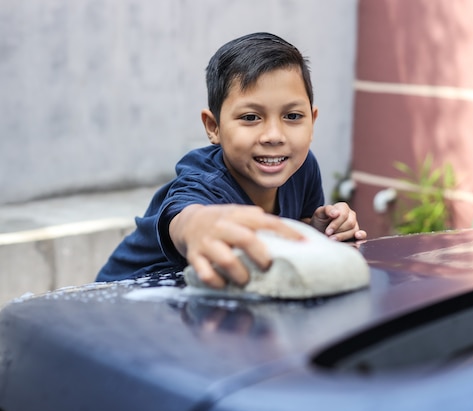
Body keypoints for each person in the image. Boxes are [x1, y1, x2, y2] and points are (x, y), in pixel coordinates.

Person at [96, 32, 366, 288]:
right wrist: (197, 226)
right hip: (126, 299)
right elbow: (185, 217)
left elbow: (288, 233)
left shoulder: (302, 167)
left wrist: (317, 231)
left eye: (292, 116)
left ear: (312, 121)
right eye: (251, 117)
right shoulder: (204, 180)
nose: (274, 136)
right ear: (213, 127)